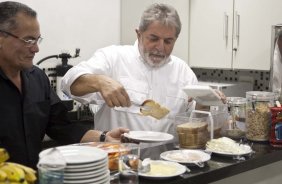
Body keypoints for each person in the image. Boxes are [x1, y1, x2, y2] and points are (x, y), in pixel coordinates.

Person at [62, 4, 225, 138]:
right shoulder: (113, 57)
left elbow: (193, 124)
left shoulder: (183, 72)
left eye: (168, 41)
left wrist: (205, 105)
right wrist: (100, 82)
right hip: (118, 163)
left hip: (165, 166)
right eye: (153, 38)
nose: (160, 47)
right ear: (139, 34)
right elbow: (68, 84)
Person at [0, 1, 129, 169]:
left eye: (37, 40)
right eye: (29, 40)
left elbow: (61, 126)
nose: (36, 49)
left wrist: (105, 137)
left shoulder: (37, 78)